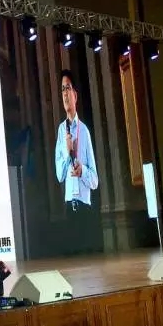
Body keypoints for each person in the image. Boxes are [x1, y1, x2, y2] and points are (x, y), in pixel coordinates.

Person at [54, 70, 102, 254]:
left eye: (68, 88)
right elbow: (59, 176)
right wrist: (68, 154)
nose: (65, 94)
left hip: (85, 211)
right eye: (62, 89)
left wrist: (82, 171)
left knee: (88, 264)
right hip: (69, 210)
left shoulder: (85, 131)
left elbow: (95, 181)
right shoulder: (61, 131)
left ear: (75, 95)